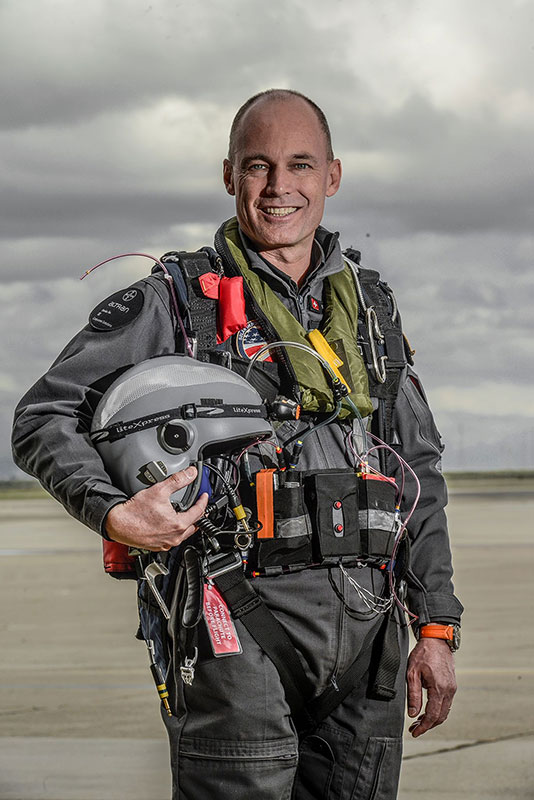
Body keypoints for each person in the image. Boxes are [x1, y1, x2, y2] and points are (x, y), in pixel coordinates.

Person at [12, 89, 463, 799]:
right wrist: (113, 512)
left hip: (369, 646)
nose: (281, 188)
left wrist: (435, 625)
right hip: (233, 632)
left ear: (333, 177)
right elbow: (44, 415)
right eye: (259, 167)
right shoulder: (176, 299)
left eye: (301, 165)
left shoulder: (370, 314)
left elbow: (419, 475)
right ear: (230, 176)